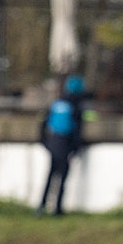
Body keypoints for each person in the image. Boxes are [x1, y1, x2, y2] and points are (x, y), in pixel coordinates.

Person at [36, 75, 87, 215]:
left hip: (52, 144)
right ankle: (57, 209)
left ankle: (41, 206)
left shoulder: (57, 103)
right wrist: (75, 149)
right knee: (62, 179)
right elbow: (77, 131)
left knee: (50, 176)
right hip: (65, 146)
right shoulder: (76, 106)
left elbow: (43, 123)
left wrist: (44, 143)